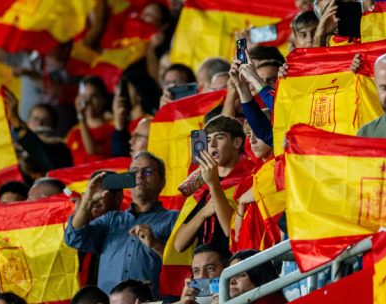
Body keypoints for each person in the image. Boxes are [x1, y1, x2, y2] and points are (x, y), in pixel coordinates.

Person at [65, 152, 179, 295]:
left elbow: (184, 264)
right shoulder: (111, 219)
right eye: (134, 171)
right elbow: (73, 238)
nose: (139, 175)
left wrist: (156, 244)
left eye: (148, 171)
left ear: (162, 182)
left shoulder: (174, 219)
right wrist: (88, 199)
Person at [173, 116, 251, 254]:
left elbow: (230, 231)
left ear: (237, 142)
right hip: (202, 268)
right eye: (208, 140)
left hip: (232, 264)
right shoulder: (202, 186)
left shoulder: (250, 178)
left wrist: (214, 184)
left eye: (220, 137)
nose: (212, 144)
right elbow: (179, 245)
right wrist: (204, 212)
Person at [66, 77, 115, 165]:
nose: (87, 102)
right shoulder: (73, 133)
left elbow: (92, 150)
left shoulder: (113, 127)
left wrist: (81, 117)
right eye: (84, 97)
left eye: (94, 96)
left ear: (103, 99)